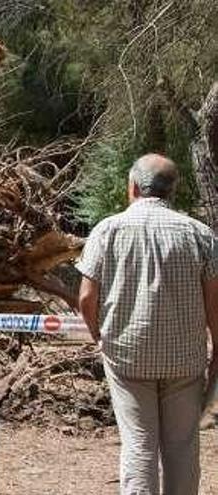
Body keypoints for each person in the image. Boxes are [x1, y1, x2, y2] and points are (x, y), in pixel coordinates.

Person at [77, 154, 218, 495]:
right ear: (174, 190)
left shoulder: (107, 230)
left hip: (127, 357)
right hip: (185, 359)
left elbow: (85, 297)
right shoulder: (199, 234)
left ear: (134, 187)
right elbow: (215, 302)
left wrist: (98, 334)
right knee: (182, 446)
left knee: (138, 445)